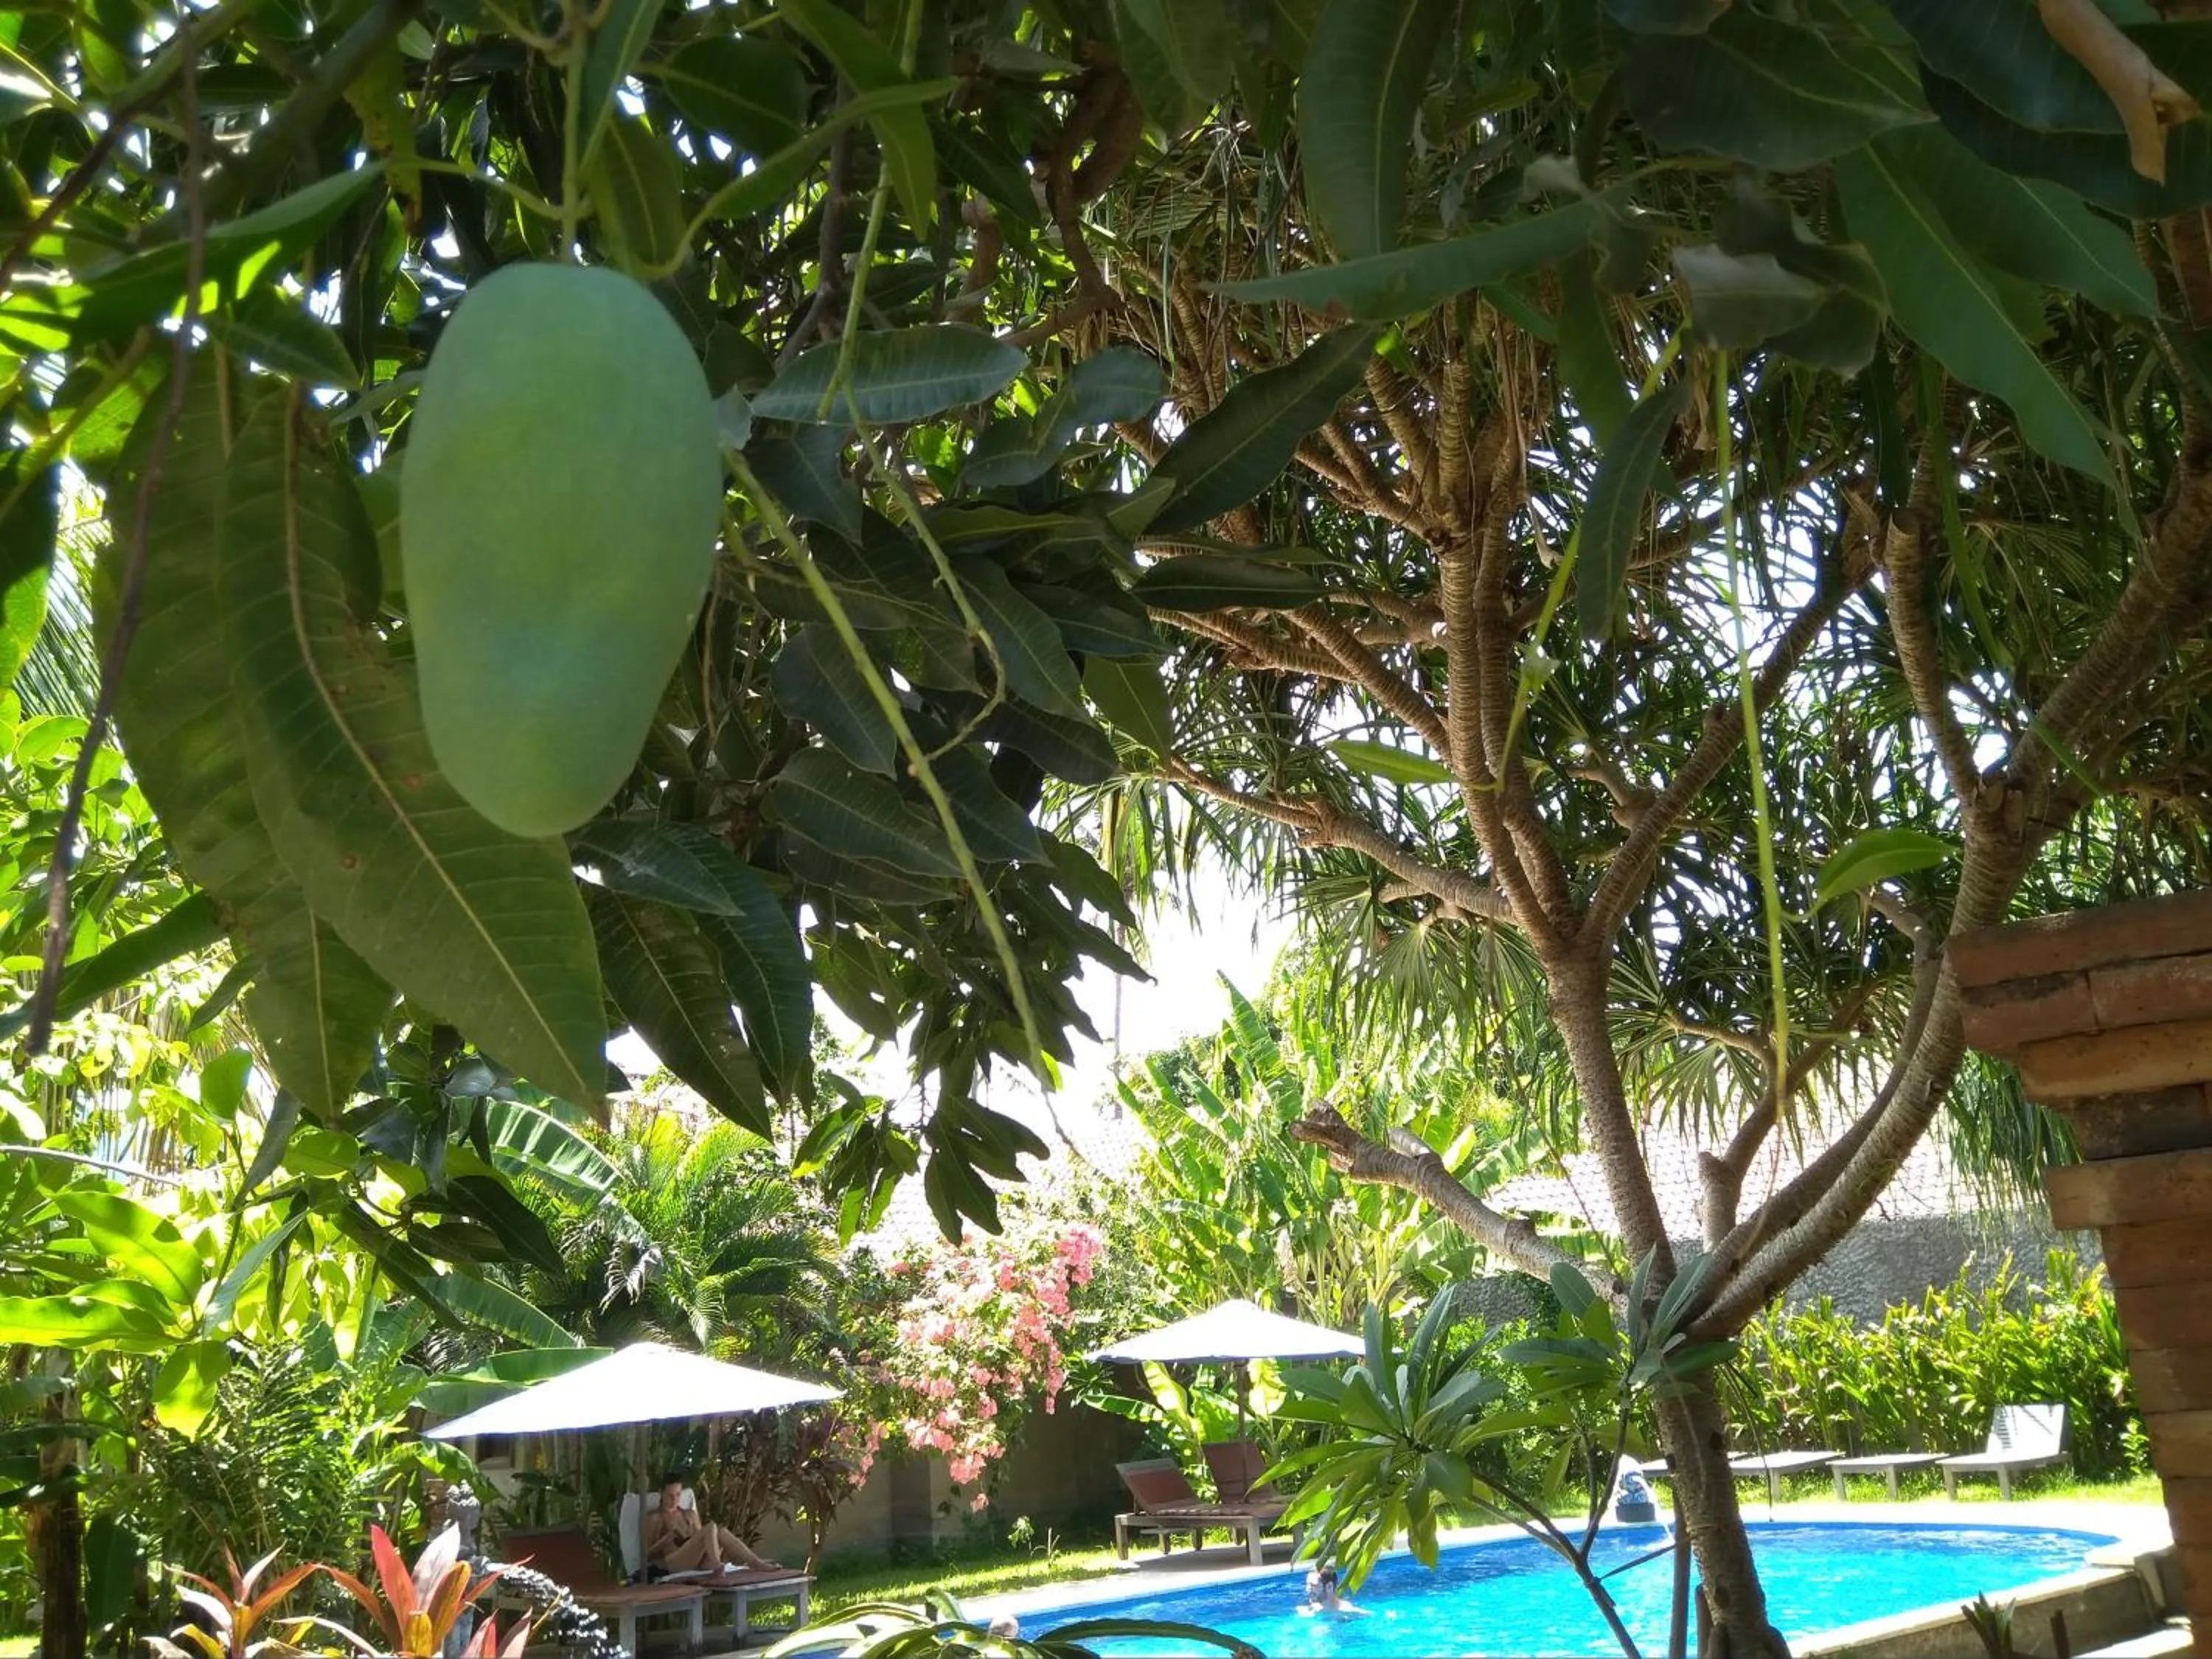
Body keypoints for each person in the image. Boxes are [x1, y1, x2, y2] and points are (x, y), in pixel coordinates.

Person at [642, 1472, 783, 1576]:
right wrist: (664, 1541)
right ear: (661, 1493)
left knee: (720, 1531)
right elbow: (646, 1555)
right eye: (670, 1495)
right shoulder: (654, 1518)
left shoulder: (689, 1515)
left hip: (697, 1560)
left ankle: (756, 1563)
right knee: (710, 1528)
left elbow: (701, 1539)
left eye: (678, 1495)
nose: (675, 1500)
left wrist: (693, 1535)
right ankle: (717, 1566)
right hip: (673, 1563)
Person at [1298, 1565, 1369, 1619]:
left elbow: (1369, 1615)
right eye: (1307, 1584)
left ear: (1329, 1586)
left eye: (1314, 1585)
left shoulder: (1345, 1611)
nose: (1308, 1589)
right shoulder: (1306, 1609)